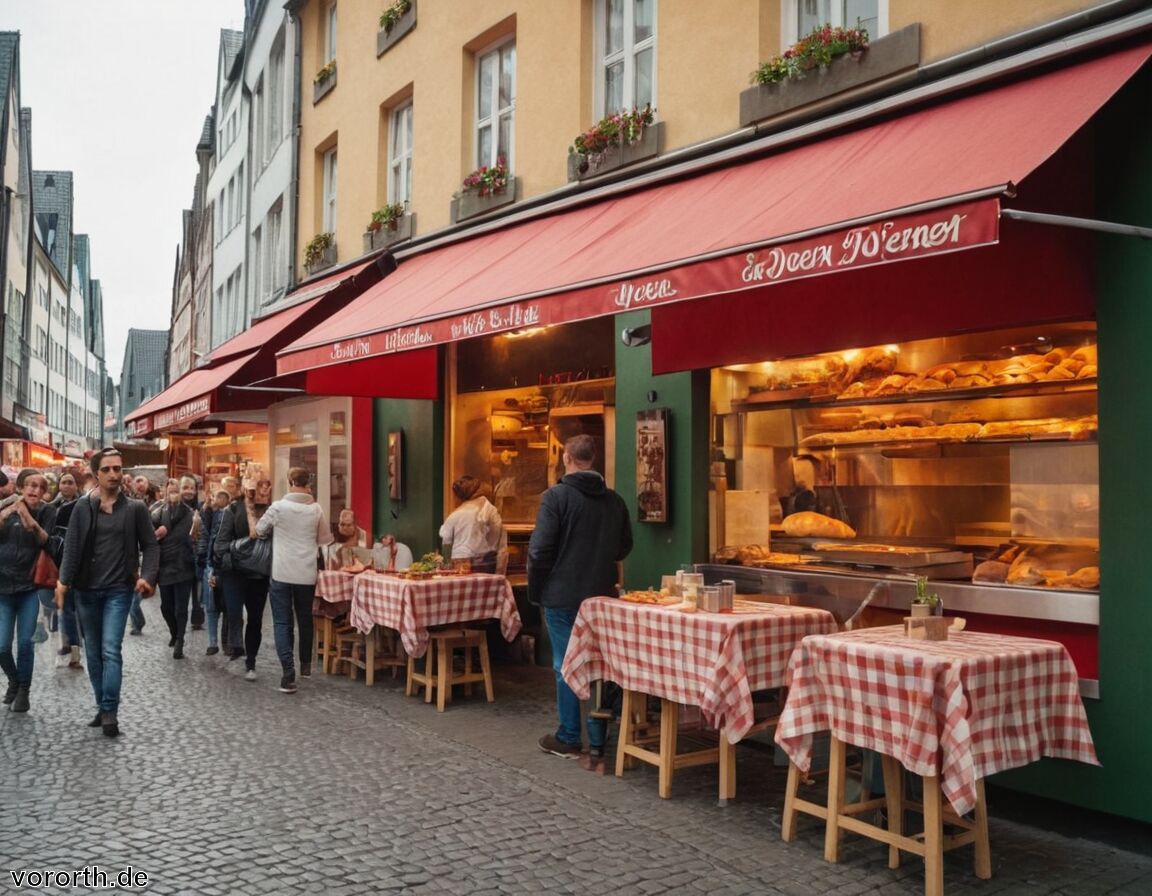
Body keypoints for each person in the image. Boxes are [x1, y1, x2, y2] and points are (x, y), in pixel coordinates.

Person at [529, 434, 632, 760]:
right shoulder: (614, 500)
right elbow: (624, 547)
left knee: (565, 664)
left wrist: (538, 589)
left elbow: (539, 549)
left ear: (566, 458)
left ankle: (570, 736)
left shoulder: (555, 497)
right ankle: (598, 739)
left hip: (562, 594)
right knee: (598, 664)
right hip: (602, 596)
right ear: (594, 459)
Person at [55, 448, 159, 738]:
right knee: (94, 652)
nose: (114, 474)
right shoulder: (82, 507)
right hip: (86, 591)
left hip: (118, 590)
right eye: (108, 469)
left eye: (118, 468)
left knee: (111, 649)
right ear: (96, 474)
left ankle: (110, 710)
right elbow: (72, 550)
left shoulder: (135, 509)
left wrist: (148, 577)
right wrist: (63, 583)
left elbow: (150, 546)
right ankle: (102, 706)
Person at [256, 466, 333, 693]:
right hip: (306, 572)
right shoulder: (316, 509)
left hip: (281, 571)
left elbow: (260, 530)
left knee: (282, 621)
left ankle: (287, 672)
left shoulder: (278, 507)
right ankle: (305, 665)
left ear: (290, 482)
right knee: (305, 618)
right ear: (307, 482)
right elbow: (324, 539)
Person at [0, 469, 57, 713]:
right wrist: (3, 517)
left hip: (29, 588)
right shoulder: (6, 508)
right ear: (21, 487)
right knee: (1, 646)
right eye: (30, 485)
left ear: (44, 493)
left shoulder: (47, 511)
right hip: (3, 587)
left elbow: (48, 541)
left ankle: (24, 690)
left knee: (25, 643)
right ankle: (13, 680)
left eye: (40, 487)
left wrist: (29, 520)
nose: (35, 490)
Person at [213, 475, 271, 681]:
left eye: (262, 487)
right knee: (235, 614)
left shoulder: (271, 511)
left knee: (255, 619)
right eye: (252, 487)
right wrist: (244, 547)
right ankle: (235, 647)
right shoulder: (233, 510)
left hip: (259, 575)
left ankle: (251, 661)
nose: (256, 492)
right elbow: (220, 545)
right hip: (235, 573)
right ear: (244, 489)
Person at [152, 480, 199, 660]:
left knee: (181, 608)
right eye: (169, 491)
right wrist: (157, 533)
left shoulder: (189, 513)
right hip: (165, 566)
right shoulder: (159, 511)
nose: (172, 495)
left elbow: (196, 537)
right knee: (166, 607)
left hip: (183, 565)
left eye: (175, 491)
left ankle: (179, 639)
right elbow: (148, 528)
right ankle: (174, 632)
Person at [439, 475, 504, 573]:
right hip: (484, 562)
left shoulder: (454, 516)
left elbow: (446, 542)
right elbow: (496, 535)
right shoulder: (488, 510)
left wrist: (446, 562)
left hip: (459, 562)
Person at [197, 489, 231, 655]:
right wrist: (203, 558)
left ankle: (225, 642)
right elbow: (204, 534)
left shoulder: (230, 514)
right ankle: (212, 642)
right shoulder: (210, 513)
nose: (216, 499)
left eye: (219, 497)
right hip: (211, 564)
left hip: (225, 566)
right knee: (211, 604)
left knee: (224, 604)